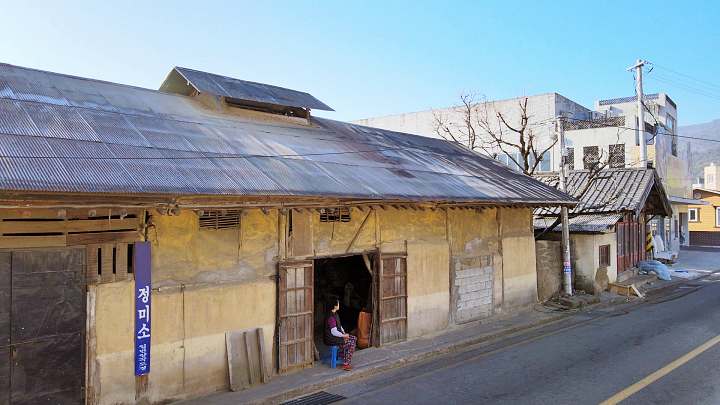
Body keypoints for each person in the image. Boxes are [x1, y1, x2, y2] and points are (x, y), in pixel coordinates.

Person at [324, 298, 357, 371]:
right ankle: (346, 364)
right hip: (331, 338)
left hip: (336, 336)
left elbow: (339, 325)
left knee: (354, 338)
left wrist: (343, 332)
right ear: (334, 306)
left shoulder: (335, 314)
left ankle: (342, 354)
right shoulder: (330, 317)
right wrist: (343, 336)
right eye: (338, 304)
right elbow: (334, 332)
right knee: (350, 343)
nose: (339, 305)